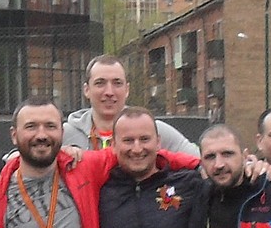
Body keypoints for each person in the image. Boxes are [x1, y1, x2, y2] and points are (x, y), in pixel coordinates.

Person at [63, 54, 195, 154]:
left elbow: (200, 163)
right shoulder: (64, 134)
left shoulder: (153, 130)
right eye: (100, 83)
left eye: (117, 83)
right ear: (86, 90)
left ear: (127, 90)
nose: (109, 92)